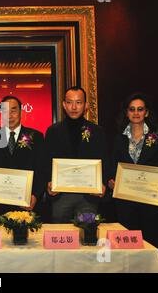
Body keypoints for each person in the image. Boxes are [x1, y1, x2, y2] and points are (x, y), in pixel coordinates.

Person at [108, 93, 158, 249]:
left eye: (140, 109)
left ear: (147, 112)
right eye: (132, 109)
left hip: (151, 201)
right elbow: (112, 164)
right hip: (126, 202)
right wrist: (111, 180)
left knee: (150, 243)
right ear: (126, 112)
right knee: (127, 243)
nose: (136, 113)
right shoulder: (119, 138)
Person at [0, 96, 45, 223]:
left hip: (25, 206)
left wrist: (35, 195)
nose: (10, 115)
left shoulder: (36, 137)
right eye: (5, 111)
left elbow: (41, 169)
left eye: (13, 110)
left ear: (21, 112)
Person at [45, 86, 108, 223]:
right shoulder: (53, 131)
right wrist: (48, 183)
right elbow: (46, 161)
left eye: (78, 102)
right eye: (69, 102)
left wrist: (102, 184)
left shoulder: (97, 131)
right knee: (60, 236)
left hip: (89, 195)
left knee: (87, 234)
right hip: (61, 194)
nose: (74, 107)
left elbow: (104, 161)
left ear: (85, 105)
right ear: (63, 105)